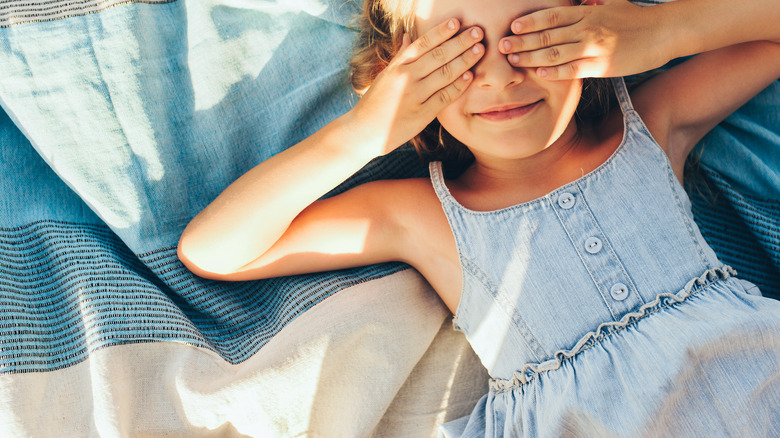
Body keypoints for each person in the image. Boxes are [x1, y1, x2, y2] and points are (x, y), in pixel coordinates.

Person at [178, 0, 780, 435]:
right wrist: (359, 136)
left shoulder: (649, 122)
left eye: (535, 39)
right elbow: (215, 250)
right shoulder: (423, 216)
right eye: (456, 57)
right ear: (399, 78)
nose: (500, 75)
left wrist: (660, 31)